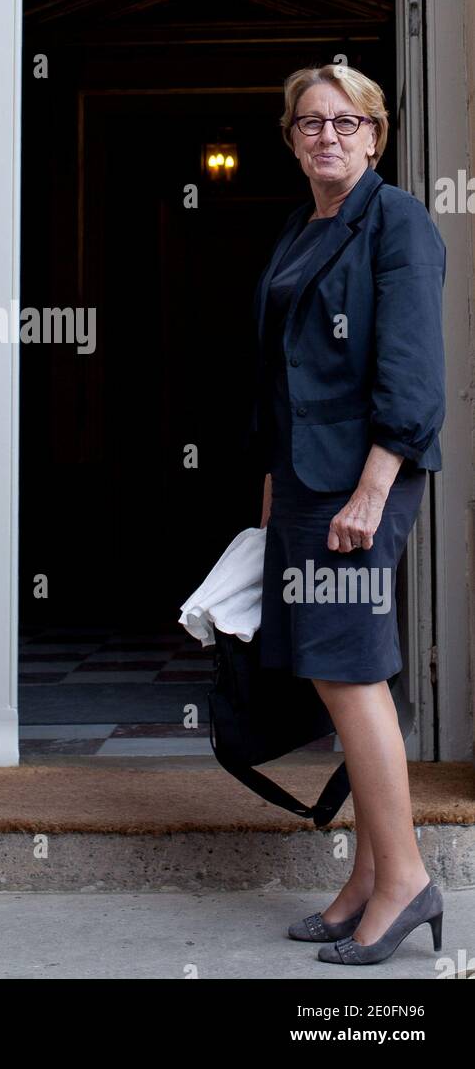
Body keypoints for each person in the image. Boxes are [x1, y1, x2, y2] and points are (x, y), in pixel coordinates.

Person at [246, 63, 445, 965]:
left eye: (346, 122)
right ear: (290, 138)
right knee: (342, 672)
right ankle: (367, 878)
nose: (328, 136)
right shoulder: (302, 225)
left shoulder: (395, 220)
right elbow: (283, 377)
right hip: (304, 480)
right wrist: (273, 490)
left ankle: (404, 880)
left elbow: (413, 374)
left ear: (376, 133)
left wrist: (371, 488)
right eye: (309, 123)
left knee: (349, 674)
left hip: (362, 480)